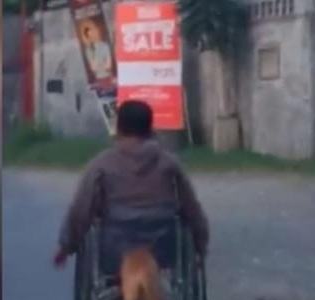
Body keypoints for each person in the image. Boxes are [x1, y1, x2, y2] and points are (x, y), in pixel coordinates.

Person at [53, 100, 209, 274]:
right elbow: (191, 208)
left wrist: (66, 246)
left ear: (118, 129)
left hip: (115, 248)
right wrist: (200, 246)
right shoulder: (169, 164)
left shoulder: (102, 165)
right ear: (150, 129)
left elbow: (82, 208)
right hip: (162, 247)